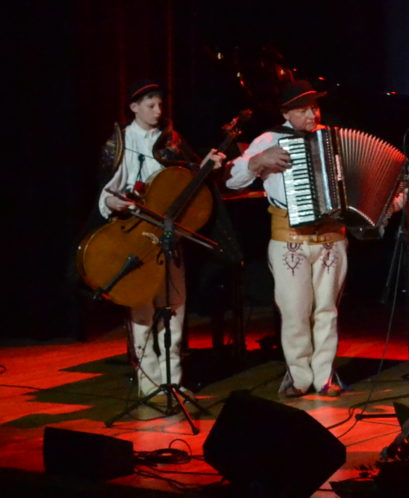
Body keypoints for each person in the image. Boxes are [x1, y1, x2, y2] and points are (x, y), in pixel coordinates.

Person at [226, 80, 362, 398]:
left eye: (315, 108)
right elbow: (232, 180)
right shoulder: (269, 140)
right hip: (289, 237)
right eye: (303, 110)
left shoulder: (334, 139)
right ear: (286, 113)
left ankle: (324, 376)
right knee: (294, 311)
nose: (312, 115)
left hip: (330, 235)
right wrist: (259, 161)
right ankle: (299, 375)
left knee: (327, 310)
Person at [98, 81, 227, 401]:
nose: (158, 112)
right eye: (150, 106)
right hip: (135, 234)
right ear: (134, 108)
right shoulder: (119, 142)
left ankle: (172, 379)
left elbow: (187, 178)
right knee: (141, 308)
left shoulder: (171, 140)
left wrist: (206, 167)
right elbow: (106, 191)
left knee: (174, 307)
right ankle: (148, 381)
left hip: (168, 234)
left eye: (160, 106)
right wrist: (113, 202)